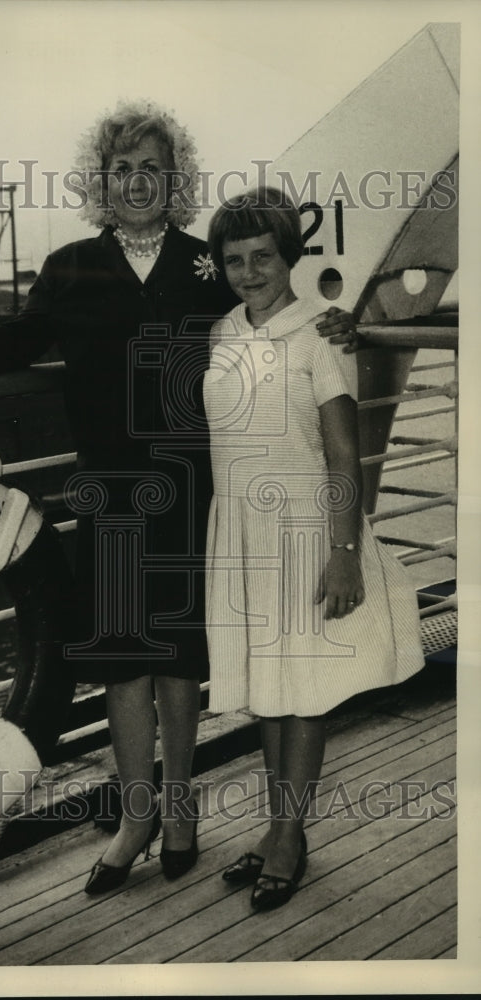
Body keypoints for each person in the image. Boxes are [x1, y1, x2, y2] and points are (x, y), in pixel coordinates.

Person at [0, 103, 357, 894]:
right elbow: (16, 340)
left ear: (173, 178)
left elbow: (276, 318)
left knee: (177, 659)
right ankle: (136, 816)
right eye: (121, 169)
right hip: (111, 493)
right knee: (124, 662)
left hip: (195, 490)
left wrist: (340, 329)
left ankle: (182, 809)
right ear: (102, 181)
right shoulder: (68, 270)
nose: (135, 182)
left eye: (151, 168)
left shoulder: (209, 266)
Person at [204, 187, 424, 911]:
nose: (248, 271)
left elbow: (341, 456)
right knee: (269, 693)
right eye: (233, 259)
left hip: (303, 531)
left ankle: (291, 838)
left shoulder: (319, 336)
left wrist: (343, 551)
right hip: (241, 533)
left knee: (301, 696)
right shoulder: (221, 333)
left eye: (261, 255)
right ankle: (275, 830)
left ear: (287, 256)